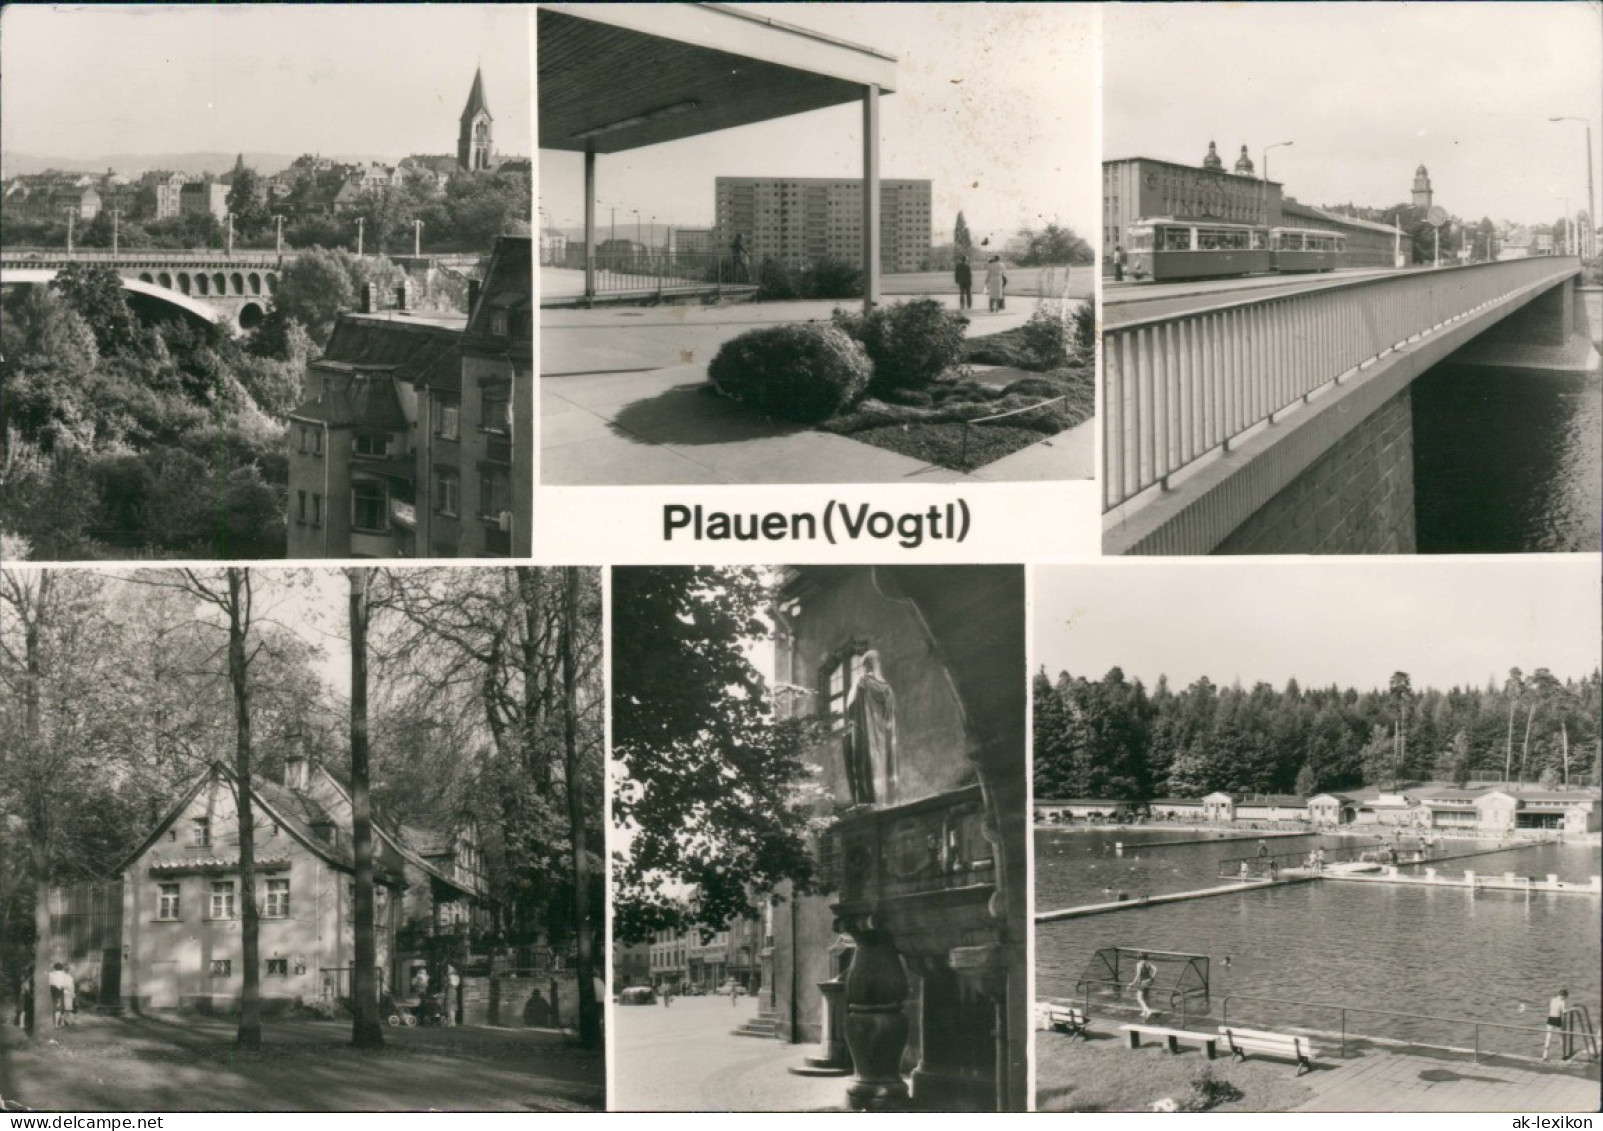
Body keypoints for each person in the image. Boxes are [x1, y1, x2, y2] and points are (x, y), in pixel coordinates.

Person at [1128, 952, 1158, 1021]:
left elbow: (1138, 975)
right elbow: (1155, 969)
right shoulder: (1148, 963)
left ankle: (1148, 1011)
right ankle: (1144, 1012)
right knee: (1145, 997)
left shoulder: (1139, 964)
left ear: (1139, 957)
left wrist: (1132, 983)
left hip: (1143, 983)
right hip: (1149, 982)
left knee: (1139, 998)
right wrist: (1152, 977)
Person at [1543, 989, 1570, 1060]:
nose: (1565, 999)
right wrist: (1571, 1009)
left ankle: (1544, 1056)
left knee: (1548, 1037)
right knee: (1561, 1037)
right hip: (1557, 1019)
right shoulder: (1562, 1001)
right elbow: (1564, 1011)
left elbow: (1551, 1008)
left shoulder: (1552, 1000)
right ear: (1563, 996)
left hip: (1550, 1018)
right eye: (1565, 997)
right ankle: (1563, 1055)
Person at [47, 963, 69, 1028]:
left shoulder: (50, 974)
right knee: (59, 1007)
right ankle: (56, 1024)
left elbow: (49, 982)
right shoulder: (64, 975)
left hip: (52, 990)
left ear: (54, 967)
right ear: (62, 968)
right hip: (60, 990)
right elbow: (66, 985)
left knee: (54, 1006)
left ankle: (57, 1022)